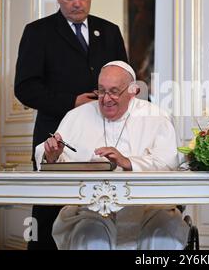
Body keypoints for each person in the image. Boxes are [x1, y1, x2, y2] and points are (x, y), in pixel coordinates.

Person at [14, 0, 128, 249]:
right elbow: (25, 88)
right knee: (48, 212)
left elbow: (126, 78)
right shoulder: (38, 32)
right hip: (55, 139)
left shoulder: (110, 31)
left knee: (101, 209)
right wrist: (71, 101)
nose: (77, 3)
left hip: (103, 137)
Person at [35, 61, 189, 250]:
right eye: (101, 90)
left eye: (114, 91)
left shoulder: (156, 117)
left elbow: (169, 163)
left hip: (150, 209)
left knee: (162, 237)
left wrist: (128, 162)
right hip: (91, 210)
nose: (106, 98)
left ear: (133, 91)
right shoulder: (76, 116)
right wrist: (52, 155)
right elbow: (52, 160)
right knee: (90, 237)